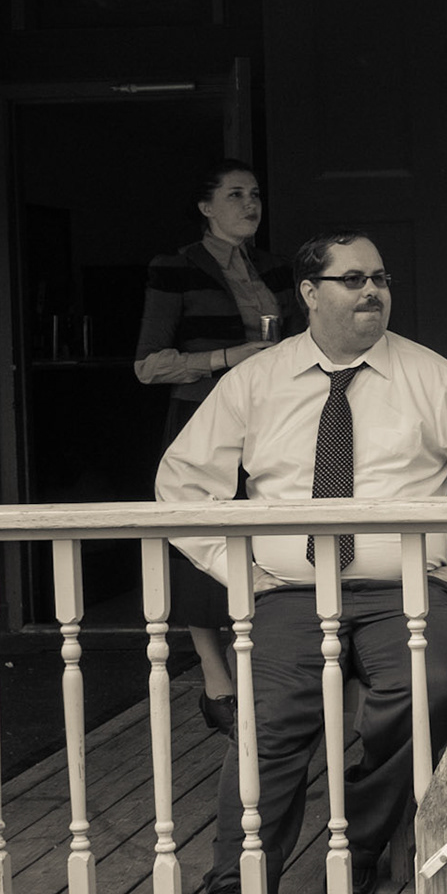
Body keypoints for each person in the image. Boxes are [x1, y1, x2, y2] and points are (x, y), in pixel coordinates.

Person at [158, 231, 447, 894]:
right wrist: (242, 573)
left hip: (409, 594)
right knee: (266, 717)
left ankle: (359, 838)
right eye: (353, 279)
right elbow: (182, 485)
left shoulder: (432, 377)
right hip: (290, 595)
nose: (372, 291)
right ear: (309, 292)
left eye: (380, 278)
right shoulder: (255, 382)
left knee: (427, 687)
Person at [133, 159, 299, 737]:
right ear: (206, 208)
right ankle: (214, 675)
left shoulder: (276, 268)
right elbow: (148, 365)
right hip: (200, 416)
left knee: (261, 532)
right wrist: (228, 358)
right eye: (235, 195)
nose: (250, 204)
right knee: (200, 531)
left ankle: (263, 663)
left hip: (271, 417)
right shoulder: (175, 268)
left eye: (255, 194)